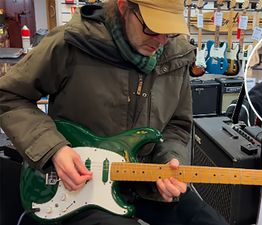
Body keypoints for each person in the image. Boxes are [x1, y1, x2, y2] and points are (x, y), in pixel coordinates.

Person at [0, 0, 228, 225]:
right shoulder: (71, 43)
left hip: (146, 183)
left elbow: (177, 125)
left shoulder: (177, 57)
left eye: (169, 31)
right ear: (123, 7)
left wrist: (171, 160)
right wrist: (53, 149)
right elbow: (9, 95)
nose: (161, 40)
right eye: (152, 27)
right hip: (79, 187)